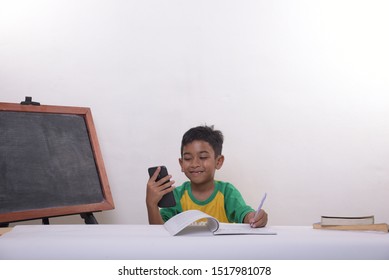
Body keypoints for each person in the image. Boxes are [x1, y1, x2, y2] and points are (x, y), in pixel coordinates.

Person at [146, 125, 268, 228]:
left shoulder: (227, 192)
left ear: (218, 161)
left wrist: (254, 217)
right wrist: (151, 204)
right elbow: (159, 232)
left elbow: (243, 213)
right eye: (188, 158)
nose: (194, 164)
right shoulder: (177, 195)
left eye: (203, 157)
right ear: (181, 164)